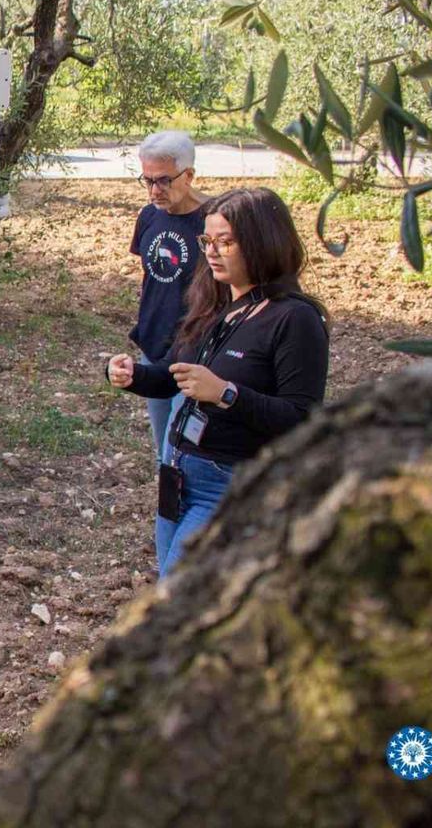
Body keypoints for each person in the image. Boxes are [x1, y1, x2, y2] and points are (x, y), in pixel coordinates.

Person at [107, 187, 330, 579]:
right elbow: (176, 376)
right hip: (179, 477)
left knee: (179, 599)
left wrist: (227, 394)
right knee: (172, 595)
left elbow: (302, 417)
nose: (211, 251)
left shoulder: (295, 320)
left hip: (228, 485)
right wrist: (132, 375)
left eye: (225, 242)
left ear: (263, 243)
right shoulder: (215, 303)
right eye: (207, 240)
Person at [128, 131, 210, 460]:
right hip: (156, 350)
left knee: (187, 452)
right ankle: (170, 510)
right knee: (165, 451)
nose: (153, 191)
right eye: (146, 180)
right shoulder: (149, 216)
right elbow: (154, 279)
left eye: (163, 181)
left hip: (200, 353)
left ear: (188, 175)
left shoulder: (216, 220)